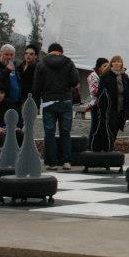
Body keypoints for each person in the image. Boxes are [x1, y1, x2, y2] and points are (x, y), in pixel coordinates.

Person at [32, 42, 79, 171]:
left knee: (49, 132)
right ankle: (66, 161)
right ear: (61, 52)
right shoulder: (68, 62)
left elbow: (36, 86)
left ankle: (51, 162)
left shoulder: (41, 64)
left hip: (48, 102)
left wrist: (36, 104)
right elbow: (75, 81)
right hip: (65, 101)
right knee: (65, 132)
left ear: (49, 52)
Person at [97, 55, 129, 150]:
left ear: (121, 64)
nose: (116, 63)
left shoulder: (125, 76)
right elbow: (100, 93)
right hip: (110, 108)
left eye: (118, 61)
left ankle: (110, 147)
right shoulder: (106, 75)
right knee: (109, 129)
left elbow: (128, 92)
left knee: (116, 128)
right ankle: (108, 149)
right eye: (114, 61)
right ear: (111, 63)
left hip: (121, 108)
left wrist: (128, 108)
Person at [86, 58, 110, 143]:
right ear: (99, 67)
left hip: (104, 104)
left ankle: (98, 144)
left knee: (102, 127)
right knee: (95, 126)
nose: (106, 68)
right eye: (104, 66)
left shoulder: (104, 75)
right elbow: (94, 91)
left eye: (107, 66)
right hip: (96, 104)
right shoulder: (93, 76)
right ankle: (90, 145)